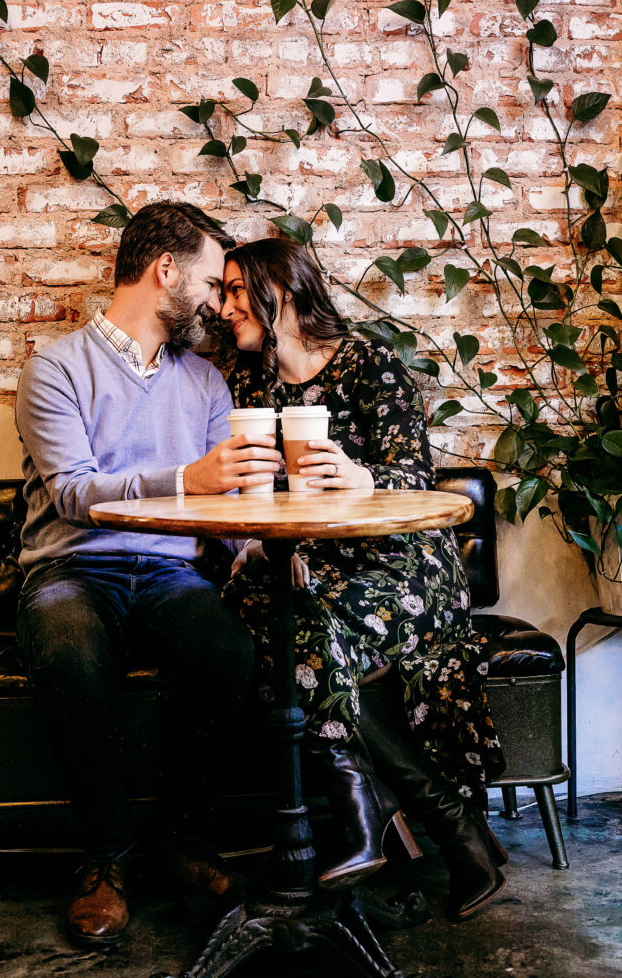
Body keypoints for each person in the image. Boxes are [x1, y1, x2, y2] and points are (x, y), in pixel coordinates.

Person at [15, 202, 283, 946]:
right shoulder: (55, 369)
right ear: (166, 270)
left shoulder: (204, 382)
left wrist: (254, 546)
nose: (218, 305)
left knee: (227, 648)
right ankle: (106, 858)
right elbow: (73, 494)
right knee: (68, 649)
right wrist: (184, 481)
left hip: (169, 572)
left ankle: (184, 842)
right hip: (73, 566)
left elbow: (223, 502)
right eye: (211, 283)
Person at [220, 237, 508, 917]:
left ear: (278, 291)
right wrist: (257, 540)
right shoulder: (248, 384)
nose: (223, 307)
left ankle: (367, 814)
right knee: (267, 609)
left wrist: (360, 478)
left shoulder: (368, 365)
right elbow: (251, 491)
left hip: (400, 561)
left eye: (235, 291)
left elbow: (414, 479)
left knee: (306, 629)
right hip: (313, 565)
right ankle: (445, 828)